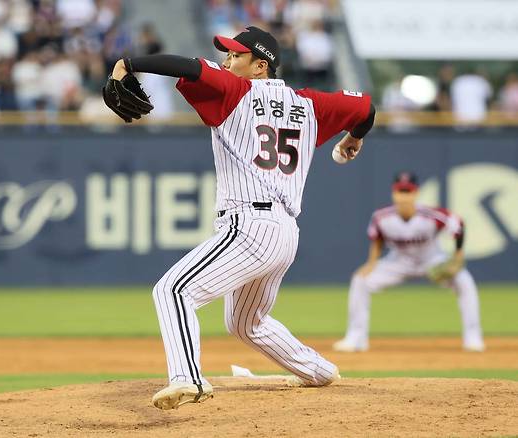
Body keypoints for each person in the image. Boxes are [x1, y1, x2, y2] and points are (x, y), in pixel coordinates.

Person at [108, 25, 376, 410]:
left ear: (260, 67)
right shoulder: (311, 103)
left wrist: (127, 64)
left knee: (173, 291)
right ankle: (318, 370)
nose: (227, 60)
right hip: (285, 233)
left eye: (236, 55)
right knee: (246, 323)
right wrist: (354, 137)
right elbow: (366, 108)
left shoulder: (237, 91)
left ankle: (187, 378)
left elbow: (188, 67)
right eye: (228, 54)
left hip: (250, 225)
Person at [333, 172, 485, 353]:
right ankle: (356, 338)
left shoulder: (431, 215)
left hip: (432, 260)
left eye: (408, 191)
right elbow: (377, 238)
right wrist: (372, 263)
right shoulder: (381, 217)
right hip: (399, 263)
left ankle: (473, 337)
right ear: (393, 193)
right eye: (400, 191)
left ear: (415, 193)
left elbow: (458, 224)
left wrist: (458, 255)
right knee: (360, 280)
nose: (404, 196)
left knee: (464, 280)